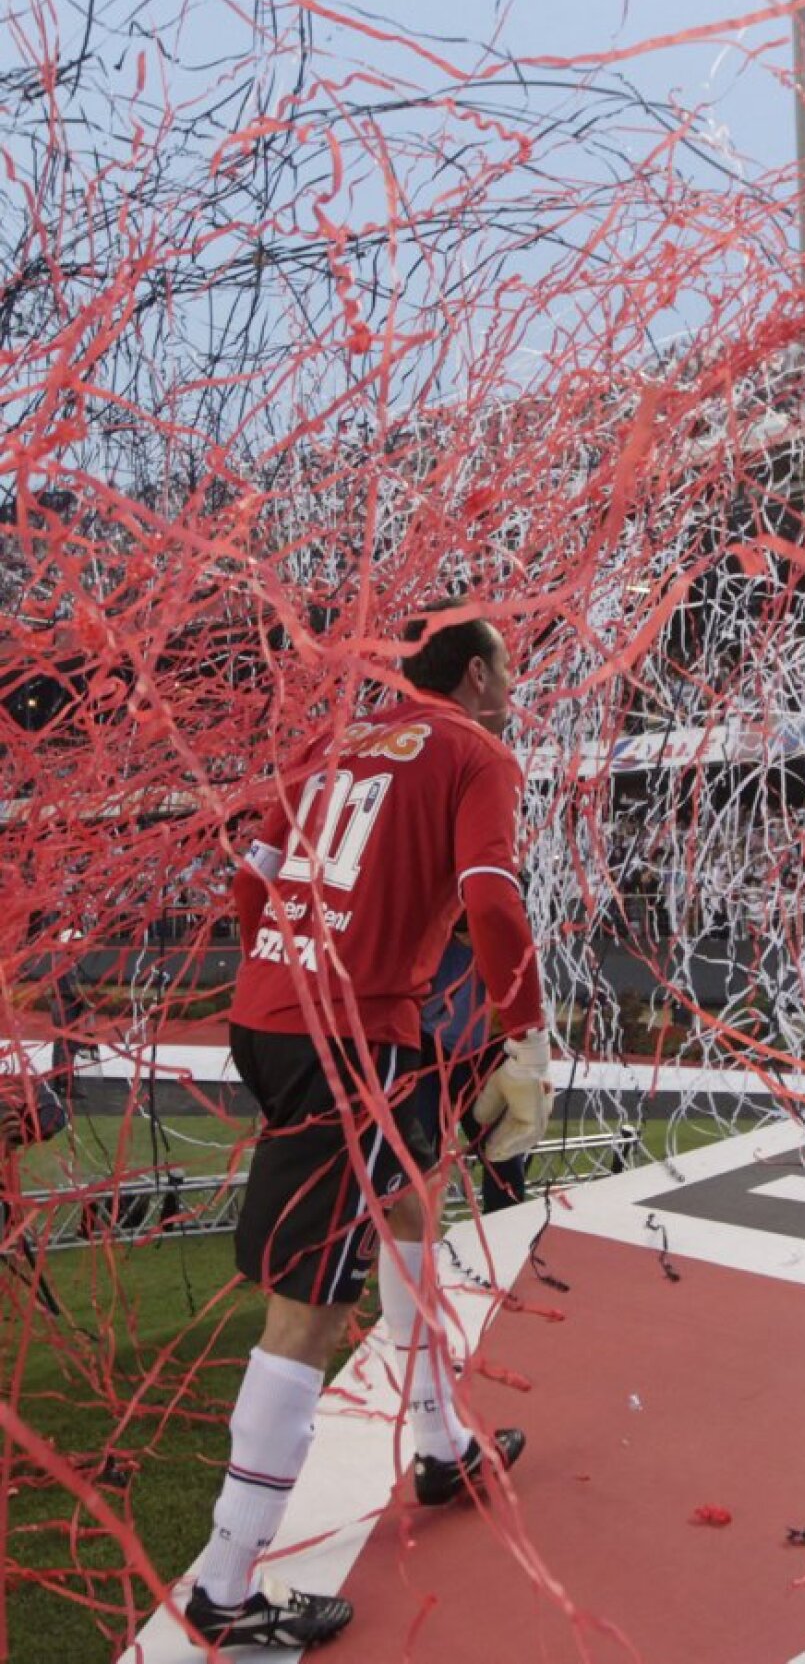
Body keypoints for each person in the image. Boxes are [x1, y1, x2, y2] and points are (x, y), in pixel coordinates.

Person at [183, 603, 553, 1650]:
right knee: (309, 1305)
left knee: (410, 1204)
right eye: (508, 670)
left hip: (275, 1017)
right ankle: (225, 1583)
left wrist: (281, 978)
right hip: (351, 1041)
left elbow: (253, 880)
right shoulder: (477, 752)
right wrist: (520, 1032)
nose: (514, 687)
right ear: (475, 675)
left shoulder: (333, 739)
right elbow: (490, 895)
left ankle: (440, 1447)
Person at [416, 920, 528, 1214]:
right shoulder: (435, 938)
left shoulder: (503, 946)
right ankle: (411, 1243)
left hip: (488, 1050)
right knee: (417, 1152)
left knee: (503, 1150)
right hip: (428, 1049)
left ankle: (505, 1234)